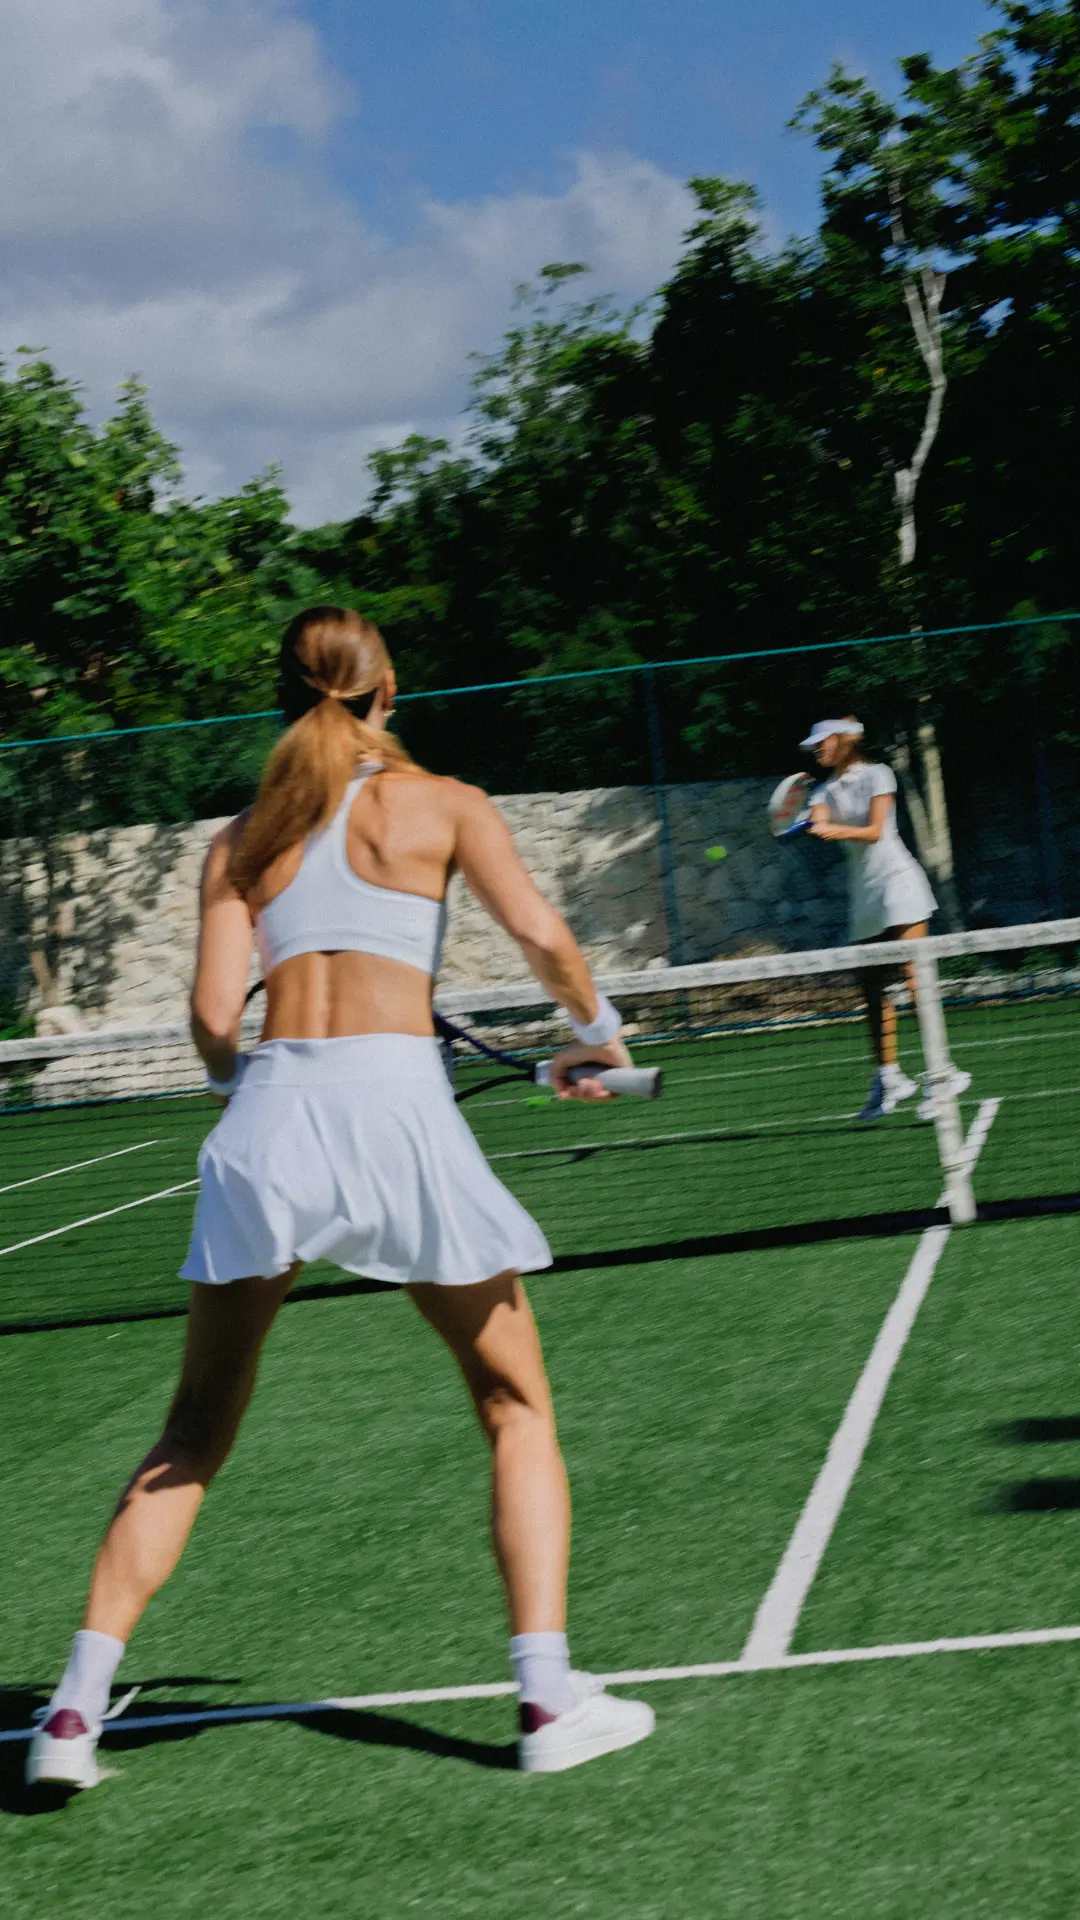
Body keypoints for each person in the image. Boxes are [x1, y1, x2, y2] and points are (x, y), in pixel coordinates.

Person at [28, 606, 654, 1790]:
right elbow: (543, 935)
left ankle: (69, 1717)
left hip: (269, 1118)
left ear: (285, 696)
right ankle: (546, 1700)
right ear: (388, 689)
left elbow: (216, 1025)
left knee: (193, 1434)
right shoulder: (448, 802)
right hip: (398, 1113)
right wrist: (598, 1038)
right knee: (516, 1405)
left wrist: (256, 1092)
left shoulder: (240, 840)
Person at [802, 716, 970, 1124]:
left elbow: (876, 830)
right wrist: (816, 821)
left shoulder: (878, 774)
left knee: (915, 976)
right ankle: (889, 1078)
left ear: (844, 741)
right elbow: (818, 816)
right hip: (864, 896)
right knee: (873, 989)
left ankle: (941, 1074)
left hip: (898, 883)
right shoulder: (822, 790)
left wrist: (832, 829)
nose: (816, 750)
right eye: (814, 746)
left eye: (822, 742)